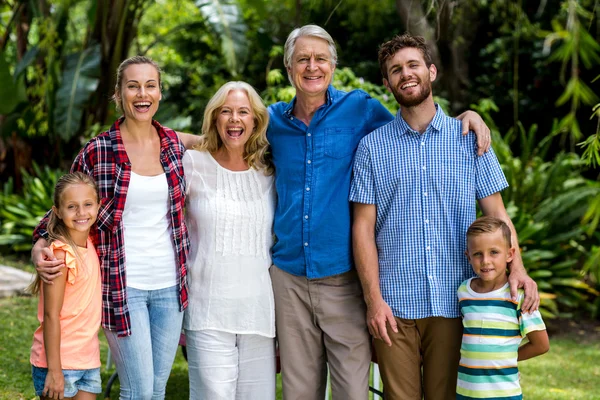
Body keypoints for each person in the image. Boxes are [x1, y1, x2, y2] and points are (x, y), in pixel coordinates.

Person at [267, 25, 495, 399]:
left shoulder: (359, 109)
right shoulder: (271, 122)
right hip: (289, 276)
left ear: (333, 66)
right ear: (289, 67)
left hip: (341, 277)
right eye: (302, 59)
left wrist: (465, 117)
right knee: (299, 389)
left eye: (320, 59)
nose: (312, 67)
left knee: (353, 391)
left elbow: (417, 124)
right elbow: (226, 135)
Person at [350, 33, 540, 399]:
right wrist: (374, 300)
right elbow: (363, 229)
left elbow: (497, 215)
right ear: (387, 83)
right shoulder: (372, 148)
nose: (406, 74)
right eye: (395, 70)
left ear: (431, 71)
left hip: (457, 302)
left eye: (413, 65)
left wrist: (518, 269)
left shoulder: (469, 138)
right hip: (395, 306)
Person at [32, 56, 189, 399]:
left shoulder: (174, 146)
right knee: (137, 391)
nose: (142, 93)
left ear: (160, 93)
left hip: (171, 286)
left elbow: (214, 140)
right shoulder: (97, 151)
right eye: (132, 86)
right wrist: (37, 249)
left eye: (150, 85)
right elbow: (60, 211)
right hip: (122, 287)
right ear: (118, 94)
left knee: (157, 390)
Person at [182, 81, 276, 399]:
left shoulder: (269, 173)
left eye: (242, 112)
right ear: (215, 118)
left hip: (259, 312)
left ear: (255, 120)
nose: (234, 119)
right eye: (226, 111)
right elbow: (152, 137)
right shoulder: (193, 165)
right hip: (207, 309)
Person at [457, 216, 549, 400]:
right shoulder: (463, 292)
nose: (485, 261)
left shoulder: (520, 297)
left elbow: (541, 345)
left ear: (510, 254)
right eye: (477, 254)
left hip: (504, 393)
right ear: (468, 256)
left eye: (494, 252)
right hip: (466, 393)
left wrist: (507, 360)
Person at [29, 172, 102, 400]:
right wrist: (54, 370)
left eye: (88, 204)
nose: (81, 213)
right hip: (59, 364)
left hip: (88, 360)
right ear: (58, 211)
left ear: (98, 206)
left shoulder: (89, 244)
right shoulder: (61, 254)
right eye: (72, 206)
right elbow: (51, 315)